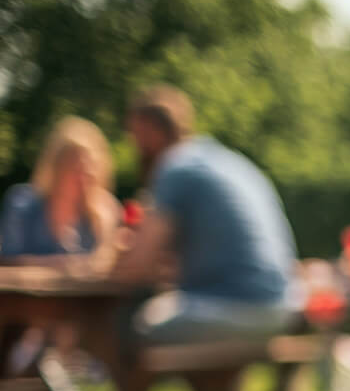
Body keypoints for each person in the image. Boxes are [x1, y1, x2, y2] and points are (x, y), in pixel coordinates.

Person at [115, 85, 301, 344]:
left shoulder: (175, 168)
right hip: (282, 306)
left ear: (150, 131)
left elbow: (137, 268)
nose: (134, 148)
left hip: (238, 309)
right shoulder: (227, 161)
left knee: (132, 326)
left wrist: (111, 258)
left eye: (135, 136)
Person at [1, 116, 121, 264]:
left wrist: (107, 238)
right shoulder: (23, 204)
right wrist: (69, 269)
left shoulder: (101, 213)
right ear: (55, 169)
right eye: (75, 170)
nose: (82, 181)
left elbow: (106, 272)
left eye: (88, 174)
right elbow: (9, 262)